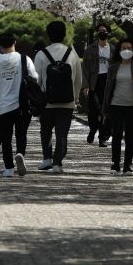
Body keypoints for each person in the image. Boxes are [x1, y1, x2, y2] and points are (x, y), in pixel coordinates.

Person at [0, 32, 38, 177]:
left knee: (6, 138)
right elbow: (34, 78)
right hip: (22, 104)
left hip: (3, 106)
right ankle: (20, 154)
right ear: (15, 43)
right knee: (21, 134)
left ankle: (9, 168)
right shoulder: (24, 59)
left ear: (0, 46)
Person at [34, 19, 82, 173]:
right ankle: (57, 163)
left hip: (47, 101)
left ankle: (47, 159)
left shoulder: (42, 54)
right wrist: (75, 97)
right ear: (64, 34)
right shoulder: (72, 53)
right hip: (67, 102)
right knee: (62, 133)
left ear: (48, 35)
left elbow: (37, 79)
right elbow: (78, 79)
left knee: (46, 130)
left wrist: (37, 99)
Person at [101, 38, 133, 174]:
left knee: (130, 137)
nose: (127, 51)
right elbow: (108, 88)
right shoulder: (113, 67)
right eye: (124, 48)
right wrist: (105, 109)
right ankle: (115, 164)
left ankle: (127, 165)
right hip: (116, 105)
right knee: (116, 134)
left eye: (129, 48)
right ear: (119, 51)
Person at [81, 22, 114, 146]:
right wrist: (85, 86)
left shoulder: (114, 50)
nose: (102, 32)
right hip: (95, 81)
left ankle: (103, 137)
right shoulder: (90, 49)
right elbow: (85, 69)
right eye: (100, 31)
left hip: (109, 81)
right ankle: (93, 128)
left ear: (109, 33)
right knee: (94, 108)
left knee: (107, 109)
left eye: (104, 30)